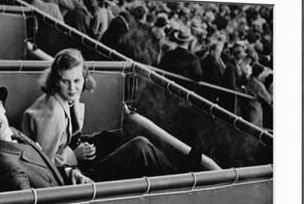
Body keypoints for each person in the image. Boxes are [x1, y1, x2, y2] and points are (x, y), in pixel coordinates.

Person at [21, 48, 184, 182]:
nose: (72, 88)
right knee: (139, 147)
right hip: (75, 179)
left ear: (83, 77)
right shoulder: (53, 113)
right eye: (66, 81)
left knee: (111, 138)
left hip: (72, 159)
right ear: (56, 80)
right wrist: (74, 155)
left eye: (77, 81)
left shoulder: (66, 95)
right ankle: (181, 179)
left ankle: (175, 170)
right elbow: (42, 166)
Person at [0, 78, 92, 194]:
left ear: (1, 106)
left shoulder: (11, 132)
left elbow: (43, 169)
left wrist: (69, 172)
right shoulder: (5, 167)